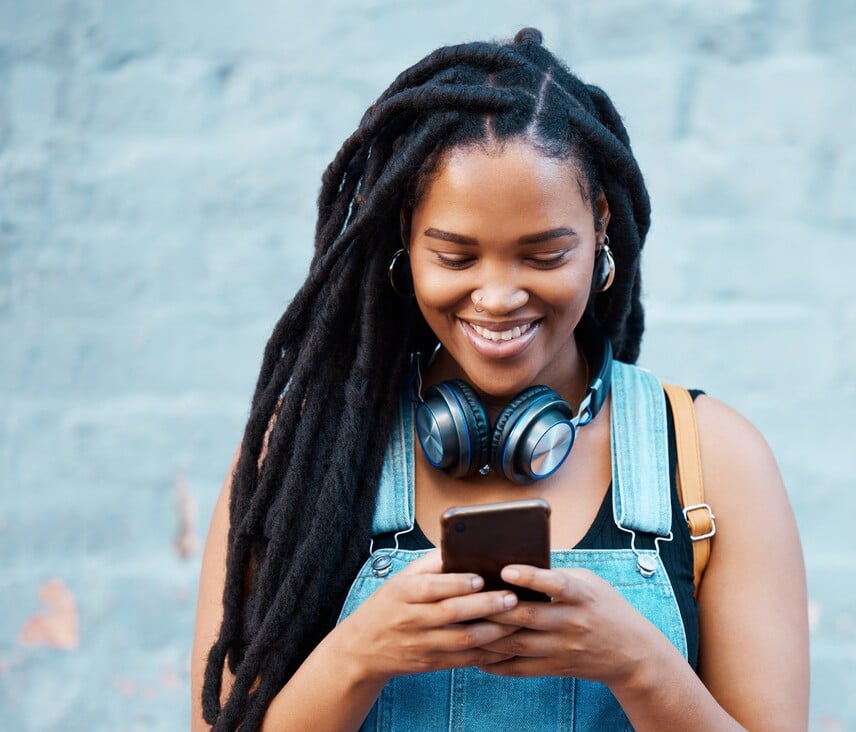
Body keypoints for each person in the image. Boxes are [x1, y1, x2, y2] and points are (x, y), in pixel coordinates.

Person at [190, 27, 808, 731]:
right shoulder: (299, 459)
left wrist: (637, 663)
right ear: (404, 234)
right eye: (456, 257)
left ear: (601, 223)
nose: (497, 297)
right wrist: (359, 655)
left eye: (544, 256)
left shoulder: (715, 460)